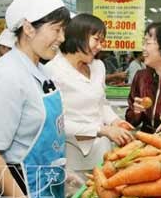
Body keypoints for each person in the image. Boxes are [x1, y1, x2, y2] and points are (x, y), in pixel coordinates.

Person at [0, 0, 70, 198]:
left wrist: (60, 175)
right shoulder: (8, 76)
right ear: (29, 28)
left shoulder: (40, 70)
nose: (62, 38)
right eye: (57, 30)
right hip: (16, 192)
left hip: (44, 188)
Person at [45, 13, 133, 176]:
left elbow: (102, 104)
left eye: (102, 41)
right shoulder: (53, 70)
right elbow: (57, 122)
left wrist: (116, 122)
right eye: (96, 40)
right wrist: (102, 130)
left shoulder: (98, 66)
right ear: (79, 36)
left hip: (103, 153)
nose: (100, 46)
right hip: (71, 157)